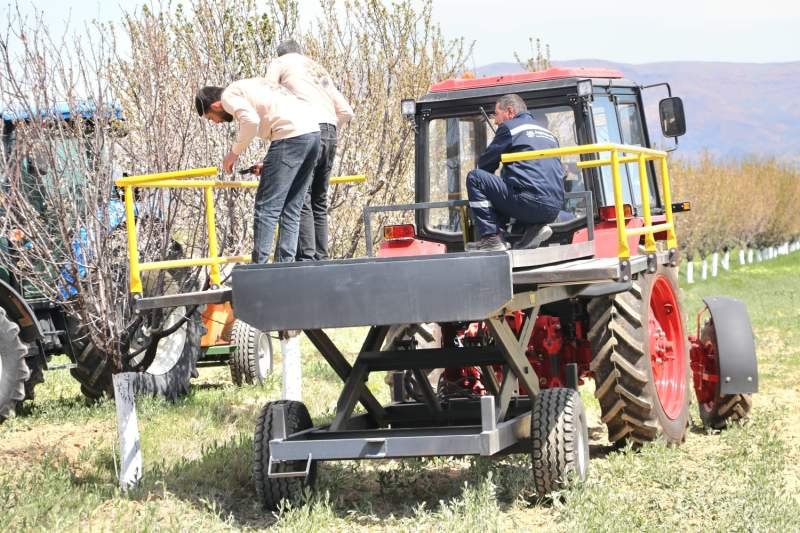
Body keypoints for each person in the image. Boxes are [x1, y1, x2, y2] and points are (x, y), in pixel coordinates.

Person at [195, 80, 320, 263]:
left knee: (265, 207)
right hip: (312, 134)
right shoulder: (251, 86)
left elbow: (251, 122)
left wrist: (233, 153)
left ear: (215, 105)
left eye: (210, 117)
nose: (215, 122)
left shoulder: (229, 96)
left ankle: (259, 267)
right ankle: (285, 266)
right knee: (291, 207)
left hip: (289, 135)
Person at [266, 39, 354, 261]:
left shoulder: (280, 62)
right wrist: (328, 132)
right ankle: (320, 258)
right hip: (330, 131)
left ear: (280, 54)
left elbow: (266, 93)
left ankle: (307, 258)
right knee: (319, 199)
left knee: (300, 195)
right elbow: (346, 111)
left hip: (305, 131)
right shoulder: (316, 69)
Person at [466, 93, 564, 251]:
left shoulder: (510, 128)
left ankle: (491, 239)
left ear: (510, 111)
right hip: (554, 208)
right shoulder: (549, 134)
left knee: (476, 178)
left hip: (529, 203)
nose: (496, 121)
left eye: (497, 114)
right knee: (518, 182)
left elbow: (485, 165)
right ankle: (533, 230)